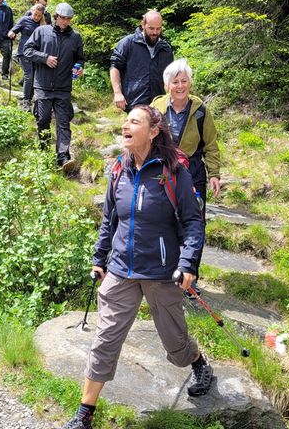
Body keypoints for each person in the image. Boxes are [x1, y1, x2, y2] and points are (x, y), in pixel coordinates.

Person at [61, 105, 212, 429]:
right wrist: (99, 259)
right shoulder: (119, 169)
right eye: (125, 120)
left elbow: (192, 221)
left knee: (175, 344)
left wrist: (187, 264)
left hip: (160, 272)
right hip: (121, 270)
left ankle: (198, 361)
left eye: (134, 121)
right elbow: (109, 221)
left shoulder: (174, 172)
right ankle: (85, 413)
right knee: (105, 340)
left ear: (153, 131)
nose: (125, 125)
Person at [151, 58, 221, 208]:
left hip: (193, 172)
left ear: (190, 83)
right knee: (165, 221)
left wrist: (214, 174)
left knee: (195, 219)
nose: (180, 86)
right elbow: (144, 140)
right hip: (162, 170)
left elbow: (211, 144)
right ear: (166, 85)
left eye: (184, 81)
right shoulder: (155, 109)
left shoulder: (200, 111)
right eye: (175, 82)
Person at [23, 2, 84, 171]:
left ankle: (63, 158)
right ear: (56, 16)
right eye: (63, 18)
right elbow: (27, 50)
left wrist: (79, 69)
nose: (65, 22)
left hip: (63, 87)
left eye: (69, 19)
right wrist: (44, 58)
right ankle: (43, 153)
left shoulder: (75, 37)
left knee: (63, 122)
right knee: (43, 120)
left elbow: (80, 58)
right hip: (42, 86)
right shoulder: (41, 32)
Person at [110, 10, 174, 112]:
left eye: (158, 29)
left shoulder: (166, 49)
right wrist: (117, 93)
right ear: (143, 25)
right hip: (134, 103)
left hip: (158, 105)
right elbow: (115, 67)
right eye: (151, 28)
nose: (155, 32)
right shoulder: (128, 43)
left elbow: (170, 77)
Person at [8, 3, 47, 111]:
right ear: (32, 11)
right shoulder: (24, 20)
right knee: (29, 75)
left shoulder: (42, 24)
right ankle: (25, 101)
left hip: (36, 54)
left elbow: (46, 37)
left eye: (39, 16)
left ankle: (31, 99)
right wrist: (11, 33)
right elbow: (13, 30)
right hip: (23, 52)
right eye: (35, 14)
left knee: (35, 76)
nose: (36, 17)